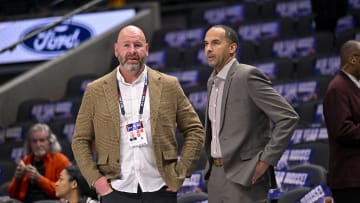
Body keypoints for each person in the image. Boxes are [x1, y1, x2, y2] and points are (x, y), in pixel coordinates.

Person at [71, 25, 205, 203]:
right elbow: (80, 140)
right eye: (126, 45)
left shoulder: (168, 85)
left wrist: (180, 173)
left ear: (147, 49)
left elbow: (195, 129)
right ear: (116, 50)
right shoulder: (95, 90)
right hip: (116, 190)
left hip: (160, 188)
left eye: (138, 45)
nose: (132, 51)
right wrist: (97, 181)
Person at [203, 24, 299, 203]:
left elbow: (288, 117)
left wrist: (265, 161)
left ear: (232, 48)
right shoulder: (211, 81)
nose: (208, 49)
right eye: (206, 44)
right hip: (215, 175)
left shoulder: (248, 75)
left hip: (245, 174)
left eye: (215, 43)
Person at [323, 40, 360, 203]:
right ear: (353, 59)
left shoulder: (353, 86)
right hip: (349, 179)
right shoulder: (337, 88)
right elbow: (343, 130)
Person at [8, 123, 72, 202]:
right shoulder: (26, 160)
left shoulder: (61, 160)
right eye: (34, 141)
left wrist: (39, 179)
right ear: (30, 144)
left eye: (42, 140)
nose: (38, 145)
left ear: (50, 142)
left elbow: (64, 191)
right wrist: (17, 179)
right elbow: (12, 195)